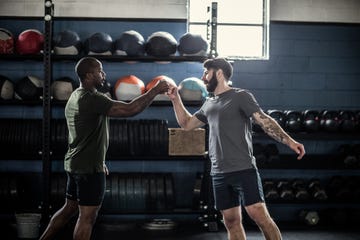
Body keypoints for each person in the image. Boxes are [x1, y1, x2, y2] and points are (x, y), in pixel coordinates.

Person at [167, 57, 305, 240]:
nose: (203, 77)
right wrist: (175, 99)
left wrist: (289, 141)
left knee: (259, 216)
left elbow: (264, 121)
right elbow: (186, 124)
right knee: (231, 221)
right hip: (219, 173)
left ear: (219, 73)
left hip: (243, 169)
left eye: (206, 73)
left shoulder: (241, 96)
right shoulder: (209, 104)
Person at [39, 57, 169, 240]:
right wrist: (154, 91)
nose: (104, 74)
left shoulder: (76, 95)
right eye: (100, 71)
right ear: (90, 75)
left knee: (69, 209)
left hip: (75, 163)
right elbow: (130, 110)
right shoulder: (92, 98)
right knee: (87, 218)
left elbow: (85, 133)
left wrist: (98, 160)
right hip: (88, 169)